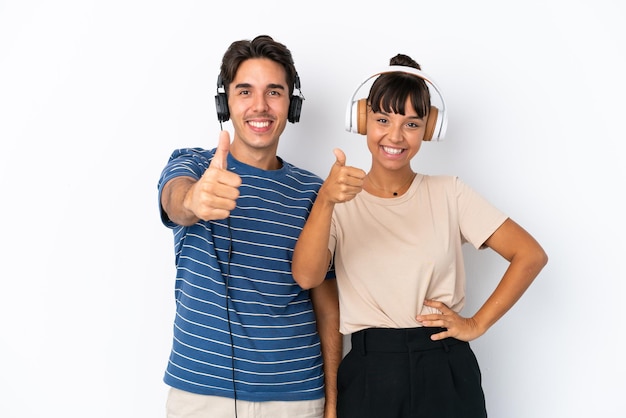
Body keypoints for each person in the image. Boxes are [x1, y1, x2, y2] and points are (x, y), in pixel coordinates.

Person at [291, 53, 548, 418]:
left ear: (429, 129)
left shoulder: (450, 193)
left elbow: (529, 254)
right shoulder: (339, 197)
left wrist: (475, 324)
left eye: (411, 124)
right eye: (382, 119)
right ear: (362, 121)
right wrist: (326, 203)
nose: (395, 136)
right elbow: (306, 276)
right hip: (369, 370)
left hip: (444, 366)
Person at [158, 35, 340, 418]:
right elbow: (175, 202)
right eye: (245, 91)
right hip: (202, 395)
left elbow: (327, 308)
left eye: (274, 92)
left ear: (293, 105)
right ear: (225, 102)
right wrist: (194, 200)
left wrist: (333, 404)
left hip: (296, 396)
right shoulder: (192, 166)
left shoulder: (314, 192)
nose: (260, 106)